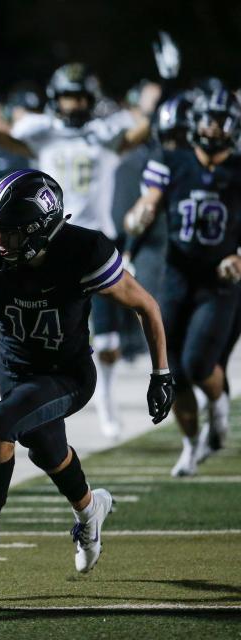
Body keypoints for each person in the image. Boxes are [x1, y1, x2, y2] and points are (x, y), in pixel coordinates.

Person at [0, 169, 172, 573]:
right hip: (14, 368)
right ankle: (91, 513)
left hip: (67, 373)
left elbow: (147, 306)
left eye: (11, 233)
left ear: (42, 230)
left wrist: (161, 373)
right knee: (46, 451)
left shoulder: (83, 250)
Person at [0, 61, 152, 440]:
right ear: (55, 100)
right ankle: (44, 400)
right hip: (50, 242)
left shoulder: (106, 133)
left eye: (80, 97)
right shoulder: (41, 132)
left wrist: (158, 97)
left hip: (96, 241)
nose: (74, 105)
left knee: (107, 340)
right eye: (67, 97)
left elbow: (141, 131)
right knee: (54, 330)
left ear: (91, 100)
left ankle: (105, 402)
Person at [124, 87, 241, 476]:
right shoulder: (172, 160)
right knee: (170, 368)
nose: (212, 127)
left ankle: (220, 405)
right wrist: (139, 214)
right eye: (207, 119)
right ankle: (191, 443)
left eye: (220, 120)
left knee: (197, 361)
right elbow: (147, 203)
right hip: (175, 275)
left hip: (219, 281)